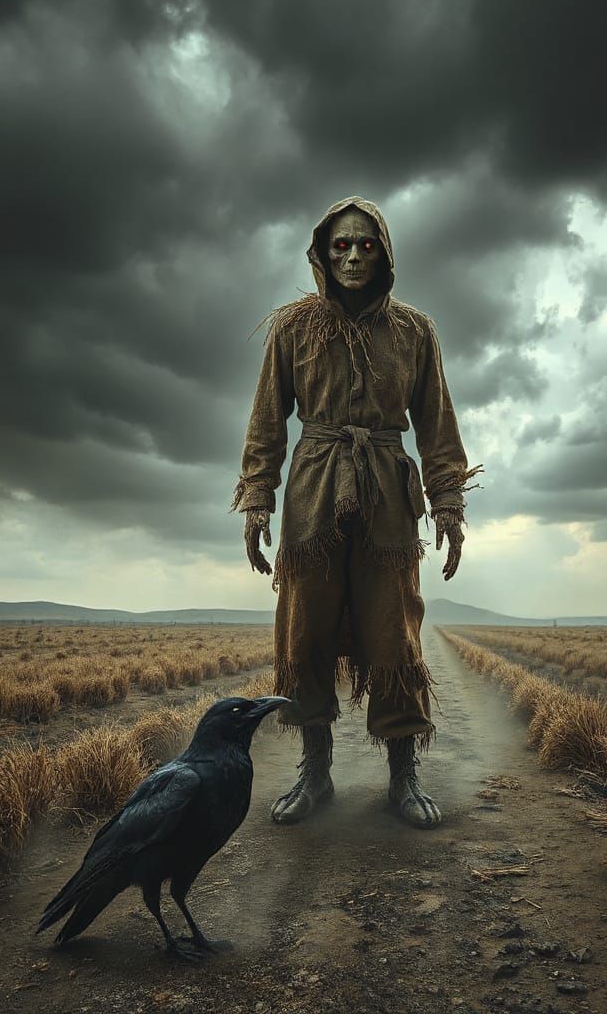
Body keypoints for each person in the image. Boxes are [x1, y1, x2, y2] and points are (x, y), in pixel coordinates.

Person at [231, 196, 480, 828]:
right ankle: (315, 775)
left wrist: (447, 505)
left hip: (390, 496)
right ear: (321, 251)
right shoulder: (292, 328)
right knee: (305, 629)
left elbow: (437, 424)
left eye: (364, 245)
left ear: (385, 254)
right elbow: (265, 423)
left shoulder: (415, 331)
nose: (351, 256)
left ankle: (403, 776)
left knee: (392, 630)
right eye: (340, 245)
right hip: (312, 490)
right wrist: (257, 501)